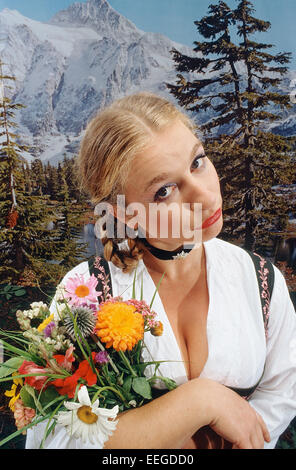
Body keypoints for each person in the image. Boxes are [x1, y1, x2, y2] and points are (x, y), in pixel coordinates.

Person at [26, 92, 296, 449]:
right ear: (123, 212)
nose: (206, 197)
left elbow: (283, 394)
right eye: (165, 191)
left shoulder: (261, 280)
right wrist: (200, 401)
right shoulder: (87, 290)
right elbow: (53, 437)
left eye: (198, 161)